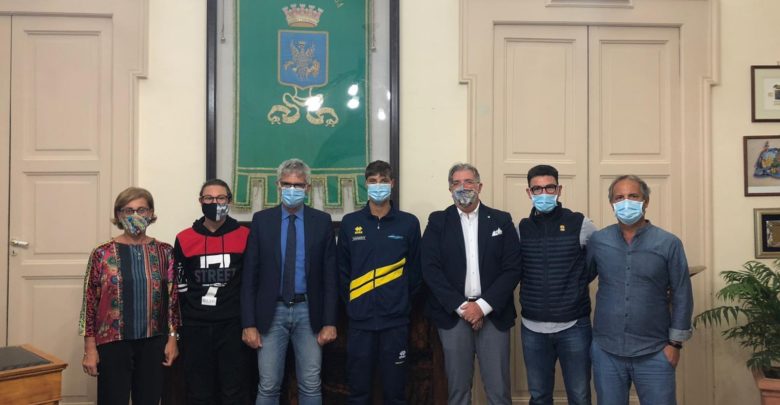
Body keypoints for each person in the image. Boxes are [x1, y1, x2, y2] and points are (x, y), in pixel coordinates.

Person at [587, 175, 693, 405]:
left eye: (633, 196)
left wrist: (675, 344)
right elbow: (579, 279)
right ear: (612, 204)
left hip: (655, 351)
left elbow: (682, 293)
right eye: (619, 197)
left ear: (645, 201)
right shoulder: (598, 241)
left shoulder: (669, 243)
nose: (626, 202)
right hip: (606, 351)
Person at [421, 163, 522, 405]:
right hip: (454, 315)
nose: (462, 187)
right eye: (456, 183)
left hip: (493, 314)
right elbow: (430, 269)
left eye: (468, 182)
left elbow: (512, 268)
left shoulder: (501, 220)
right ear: (450, 189)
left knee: (498, 392)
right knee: (458, 391)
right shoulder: (438, 221)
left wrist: (482, 307)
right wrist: (464, 308)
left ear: (479, 186)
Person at [241, 158, 338, 405]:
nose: (292, 189)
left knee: (311, 384)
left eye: (298, 185)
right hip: (271, 313)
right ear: (278, 186)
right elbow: (250, 276)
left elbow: (330, 276)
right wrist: (249, 323)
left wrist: (330, 321)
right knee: (268, 385)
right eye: (287, 184)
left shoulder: (321, 221)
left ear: (307, 188)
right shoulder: (262, 221)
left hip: (309, 312)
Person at [79, 186, 180, 405]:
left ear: (151, 213)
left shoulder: (165, 251)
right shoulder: (102, 253)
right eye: (128, 210)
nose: (135, 215)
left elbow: (172, 300)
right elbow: (90, 303)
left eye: (142, 210)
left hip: (153, 342)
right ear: (118, 215)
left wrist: (173, 339)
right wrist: (90, 348)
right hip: (113, 343)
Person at [337, 160, 421, 405]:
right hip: (359, 324)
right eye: (373, 181)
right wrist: (353, 305)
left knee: (395, 393)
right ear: (366, 185)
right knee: (358, 393)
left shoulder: (408, 223)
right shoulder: (350, 222)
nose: (378, 186)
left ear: (392, 183)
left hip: (395, 323)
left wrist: (401, 302)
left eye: (383, 181)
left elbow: (416, 272)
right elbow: (342, 272)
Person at [517, 164, 597, 405]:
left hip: (574, 326)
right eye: (537, 189)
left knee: (580, 396)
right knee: (539, 396)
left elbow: (595, 263)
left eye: (549, 187)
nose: (544, 193)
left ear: (559, 190)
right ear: (529, 193)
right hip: (532, 327)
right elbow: (515, 268)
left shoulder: (580, 223)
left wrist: (574, 285)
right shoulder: (521, 229)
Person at [173, 179, 254, 404]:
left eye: (220, 198)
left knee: (234, 391)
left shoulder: (245, 235)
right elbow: (180, 287)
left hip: (232, 326)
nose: (214, 203)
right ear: (200, 201)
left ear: (229, 201)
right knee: (199, 392)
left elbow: (251, 282)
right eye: (208, 198)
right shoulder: (184, 238)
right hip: (195, 327)